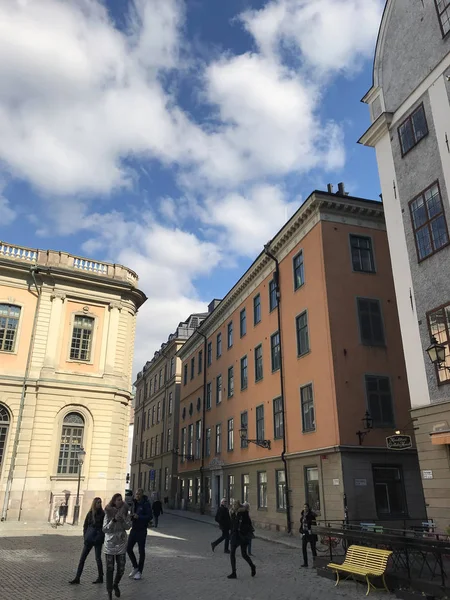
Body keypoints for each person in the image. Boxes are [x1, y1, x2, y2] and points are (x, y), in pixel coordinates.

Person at [69, 497, 105, 585]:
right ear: (94, 504)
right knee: (82, 559)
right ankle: (77, 578)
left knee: (98, 558)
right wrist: (85, 536)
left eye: (100, 502)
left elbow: (104, 527)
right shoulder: (90, 514)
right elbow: (85, 526)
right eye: (97, 502)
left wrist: (101, 537)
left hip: (98, 539)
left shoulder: (103, 514)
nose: (99, 504)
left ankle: (100, 577)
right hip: (89, 539)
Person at [103, 493, 132, 600]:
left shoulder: (125, 511)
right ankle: (109, 591)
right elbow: (105, 529)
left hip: (121, 543)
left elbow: (128, 526)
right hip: (110, 543)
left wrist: (123, 520)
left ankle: (116, 584)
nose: (120, 501)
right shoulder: (108, 512)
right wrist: (113, 520)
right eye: (118, 500)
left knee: (121, 568)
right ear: (114, 501)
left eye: (121, 499)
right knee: (110, 568)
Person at [127, 488, 152, 580]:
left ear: (142, 495)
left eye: (139, 494)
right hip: (134, 529)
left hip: (142, 530)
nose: (137, 496)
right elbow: (132, 512)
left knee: (141, 551)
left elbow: (149, 516)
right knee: (128, 548)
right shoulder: (134, 503)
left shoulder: (146, 503)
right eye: (136, 494)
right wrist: (132, 517)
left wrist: (139, 517)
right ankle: (135, 567)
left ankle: (140, 572)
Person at [227, 499, 256, 580]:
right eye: (233, 504)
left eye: (235, 504)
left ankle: (252, 566)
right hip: (235, 535)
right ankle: (234, 572)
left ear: (238, 505)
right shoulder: (232, 513)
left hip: (242, 535)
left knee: (244, 554)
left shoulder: (243, 513)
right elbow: (232, 524)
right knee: (232, 553)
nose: (233, 506)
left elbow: (248, 524)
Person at [299, 503, 318, 568]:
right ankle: (305, 563)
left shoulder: (311, 515)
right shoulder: (303, 515)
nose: (305, 508)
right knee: (303, 548)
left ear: (308, 508)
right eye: (304, 507)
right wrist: (301, 531)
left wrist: (311, 530)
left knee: (313, 549)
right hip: (304, 533)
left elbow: (313, 524)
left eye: (306, 507)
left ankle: (315, 564)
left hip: (311, 533)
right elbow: (302, 524)